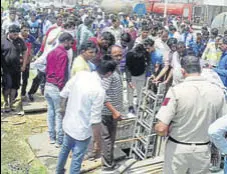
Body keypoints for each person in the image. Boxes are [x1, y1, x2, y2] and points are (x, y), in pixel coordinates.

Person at [155, 56, 227, 174]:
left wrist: (159, 128)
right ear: (200, 70)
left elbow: (161, 128)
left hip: (177, 150)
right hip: (203, 151)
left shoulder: (175, 92)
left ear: (182, 71)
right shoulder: (217, 92)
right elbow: (223, 127)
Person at [56, 56, 117, 174]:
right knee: (77, 159)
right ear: (109, 74)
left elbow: (63, 94)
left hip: (69, 123)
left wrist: (63, 112)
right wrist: (97, 143)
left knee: (65, 149)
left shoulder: (80, 75)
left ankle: (58, 171)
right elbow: (95, 120)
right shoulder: (99, 91)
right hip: (82, 130)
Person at [44, 32, 74, 147]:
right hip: (57, 87)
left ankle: (52, 136)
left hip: (48, 84)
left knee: (50, 112)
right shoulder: (63, 54)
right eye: (70, 43)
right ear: (65, 41)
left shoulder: (51, 52)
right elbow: (61, 74)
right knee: (59, 113)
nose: (71, 46)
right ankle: (59, 140)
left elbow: (46, 69)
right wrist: (63, 91)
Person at [101, 45, 124, 172]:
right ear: (110, 56)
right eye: (116, 55)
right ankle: (108, 165)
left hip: (113, 112)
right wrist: (114, 111)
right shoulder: (109, 72)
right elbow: (102, 93)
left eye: (121, 55)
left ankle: (108, 161)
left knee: (111, 138)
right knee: (108, 138)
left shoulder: (116, 69)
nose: (119, 58)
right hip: (107, 112)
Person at [1, 24, 27, 112]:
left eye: (17, 34)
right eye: (14, 34)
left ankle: (12, 103)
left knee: (14, 87)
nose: (16, 36)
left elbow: (25, 52)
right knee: (7, 86)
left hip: (16, 68)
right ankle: (6, 103)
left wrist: (24, 65)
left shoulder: (20, 40)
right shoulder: (2, 40)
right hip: (6, 69)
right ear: (9, 32)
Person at [126, 44, 151, 113]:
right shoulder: (130, 54)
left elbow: (149, 62)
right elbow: (127, 67)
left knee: (140, 91)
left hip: (141, 74)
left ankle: (138, 104)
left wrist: (148, 74)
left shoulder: (145, 53)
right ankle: (130, 105)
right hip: (132, 75)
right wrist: (128, 79)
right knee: (130, 92)